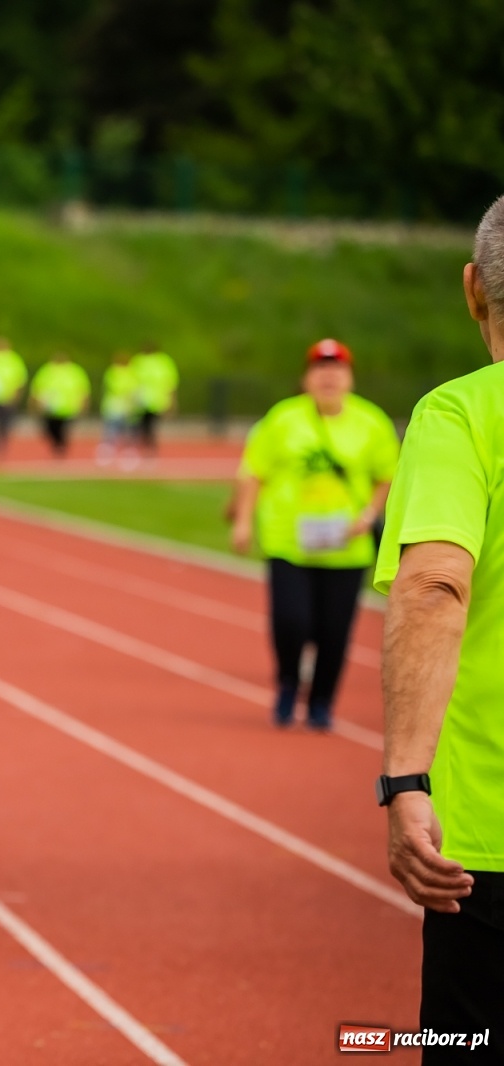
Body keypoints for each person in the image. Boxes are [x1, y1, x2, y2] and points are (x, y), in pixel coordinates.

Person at [376, 194, 504, 1058]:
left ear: (472, 290)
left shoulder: (462, 414)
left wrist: (403, 780)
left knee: (470, 1044)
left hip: (489, 829)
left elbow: (433, 588)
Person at [230, 339, 398, 730]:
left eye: (337, 370)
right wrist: (242, 521)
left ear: (350, 378)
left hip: (345, 545)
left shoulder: (371, 423)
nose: (329, 377)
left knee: (333, 631)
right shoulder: (283, 419)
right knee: (291, 622)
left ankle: (322, 701)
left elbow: (387, 475)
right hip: (289, 541)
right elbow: (255, 471)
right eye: (320, 370)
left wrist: (369, 513)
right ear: (306, 378)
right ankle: (289, 680)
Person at [28, 352, 90, 457]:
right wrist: (35, 402)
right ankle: (57, 444)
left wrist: (83, 404)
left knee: (64, 430)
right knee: (49, 428)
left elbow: (83, 390)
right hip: (50, 408)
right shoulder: (47, 370)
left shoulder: (75, 371)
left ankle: (61, 446)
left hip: (68, 408)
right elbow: (37, 387)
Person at [129, 344, 178, 456]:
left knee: (146, 425)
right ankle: (146, 447)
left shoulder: (140, 361)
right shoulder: (163, 362)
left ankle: (147, 447)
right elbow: (170, 383)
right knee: (146, 425)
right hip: (150, 401)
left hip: (150, 401)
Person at [94, 351, 140, 468]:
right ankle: (108, 454)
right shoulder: (115, 372)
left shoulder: (129, 373)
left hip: (124, 406)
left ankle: (127, 456)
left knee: (126, 433)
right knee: (111, 432)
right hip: (115, 406)